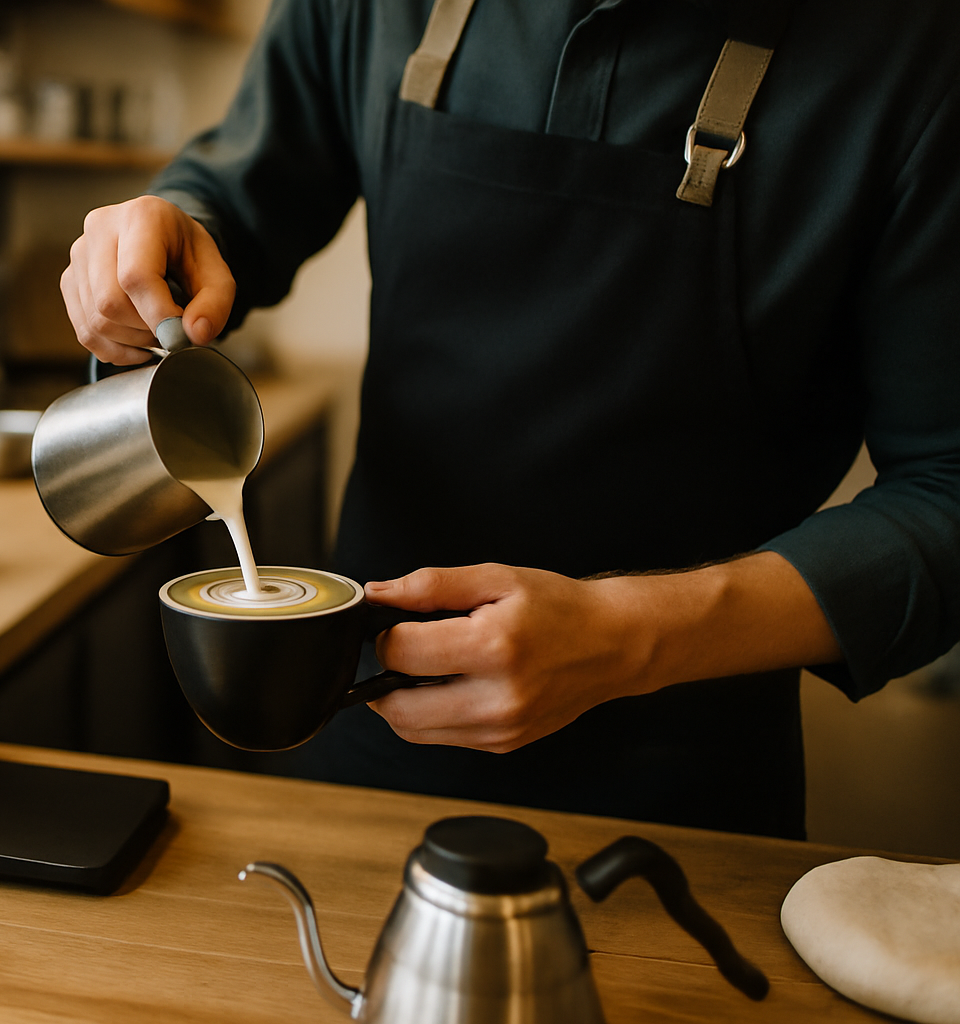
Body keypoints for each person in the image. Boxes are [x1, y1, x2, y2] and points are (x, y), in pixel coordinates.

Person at [59, 0, 960, 839]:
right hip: (368, 716)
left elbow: (947, 492)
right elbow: (239, 193)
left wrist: (633, 635)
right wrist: (165, 241)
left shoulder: (913, 49)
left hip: (686, 778)